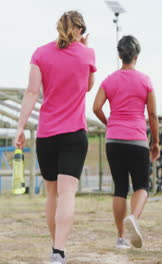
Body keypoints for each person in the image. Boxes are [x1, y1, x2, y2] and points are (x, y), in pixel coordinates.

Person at [14, 11, 96, 264]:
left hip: (47, 134)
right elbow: (88, 86)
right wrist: (84, 49)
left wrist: (20, 127)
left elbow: (31, 92)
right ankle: (59, 249)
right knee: (67, 193)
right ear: (81, 30)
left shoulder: (40, 53)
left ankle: (56, 249)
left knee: (52, 194)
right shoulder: (88, 54)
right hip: (74, 134)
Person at [93, 35, 160, 249]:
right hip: (137, 139)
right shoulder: (145, 80)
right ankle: (133, 218)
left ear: (120, 55)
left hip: (114, 140)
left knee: (120, 188)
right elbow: (152, 114)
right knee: (141, 185)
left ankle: (121, 237)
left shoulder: (109, 80)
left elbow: (96, 107)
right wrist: (155, 142)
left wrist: (110, 123)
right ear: (136, 56)